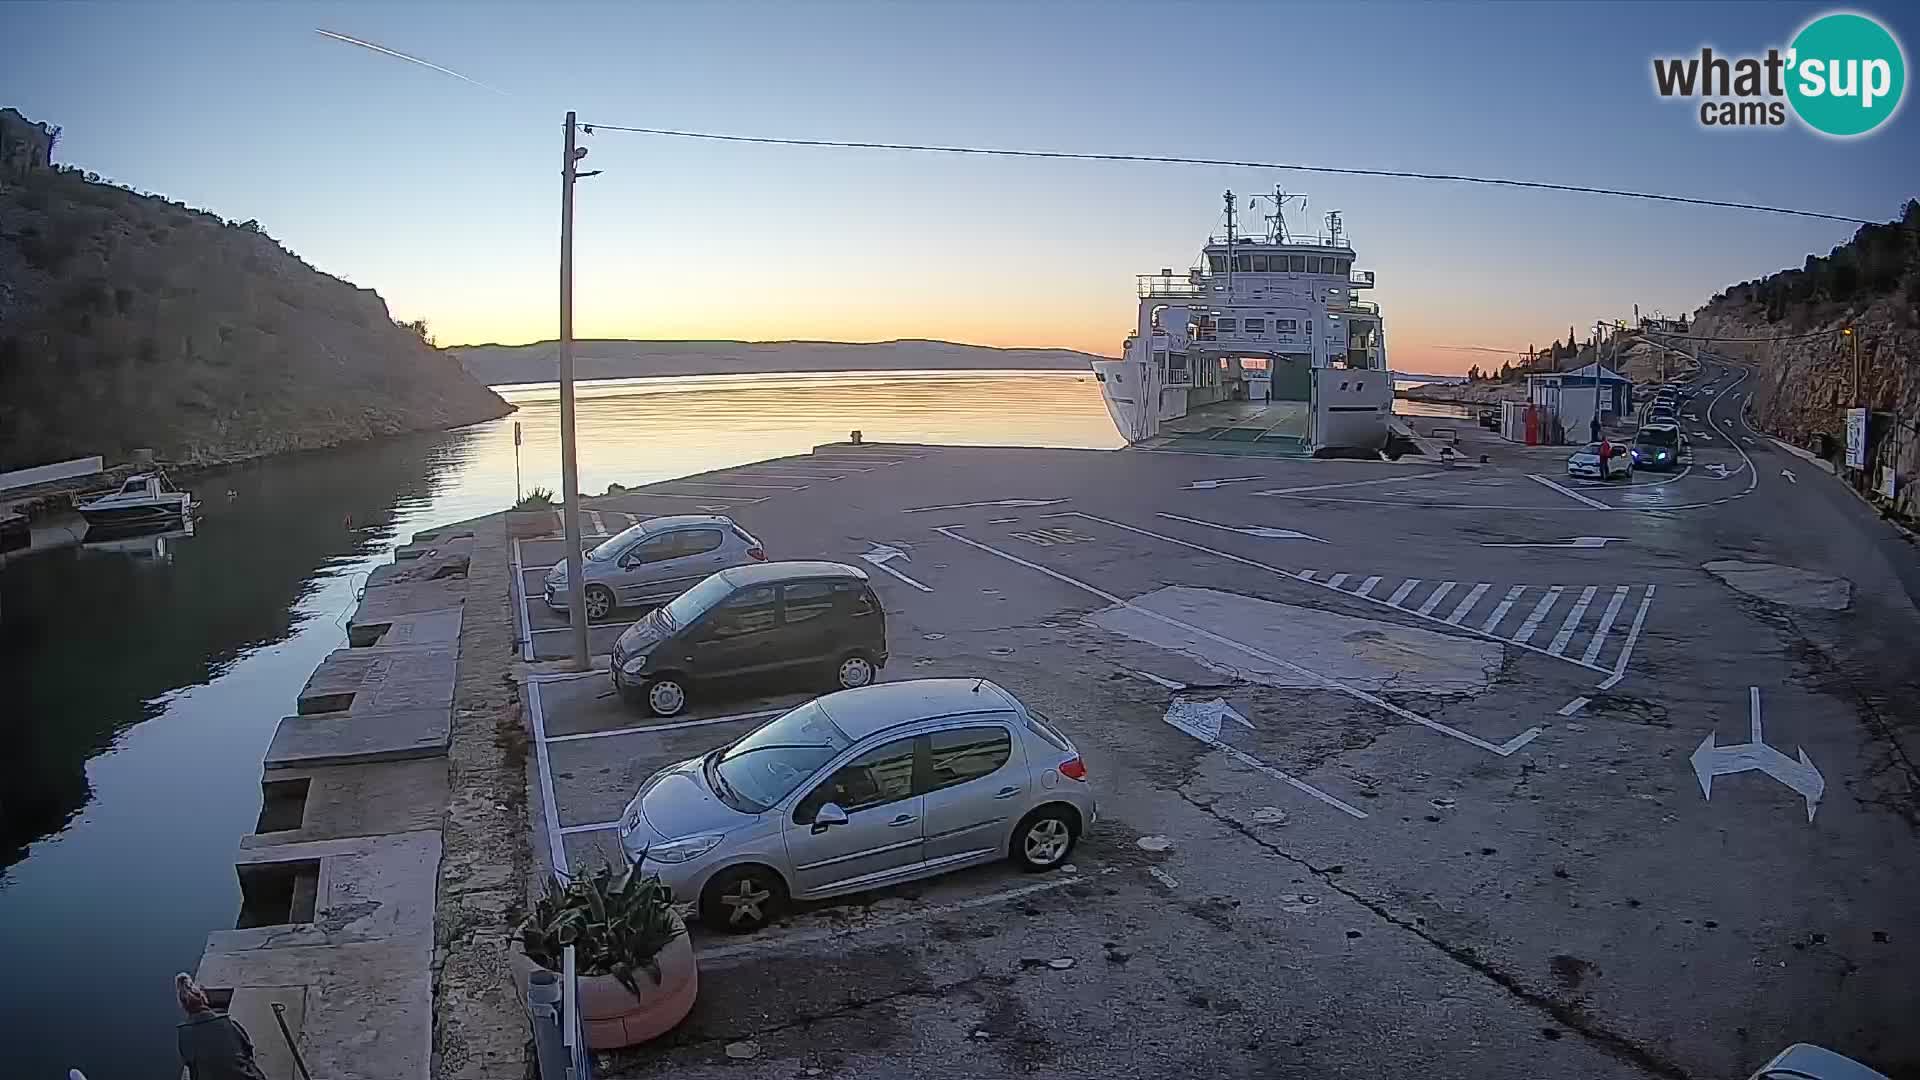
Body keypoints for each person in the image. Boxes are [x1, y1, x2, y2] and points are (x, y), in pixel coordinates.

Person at [176, 974, 269, 1080]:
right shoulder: (227, 1023)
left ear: (185, 1007)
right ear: (203, 998)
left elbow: (191, 1064)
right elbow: (247, 1049)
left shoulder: (185, 1034)